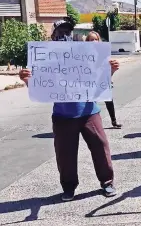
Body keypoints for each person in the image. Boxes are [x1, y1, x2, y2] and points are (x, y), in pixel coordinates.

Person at [19, 18, 119, 201]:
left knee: (101, 147)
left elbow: (100, 82)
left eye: (67, 31)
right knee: (65, 155)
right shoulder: (45, 57)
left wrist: (111, 71)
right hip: (62, 116)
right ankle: (69, 187)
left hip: (89, 112)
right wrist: (26, 79)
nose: (64, 35)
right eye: (60, 32)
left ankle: (107, 182)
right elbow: (40, 88)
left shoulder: (82, 55)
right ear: (53, 35)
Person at [85, 31, 122, 129]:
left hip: (103, 82)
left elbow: (107, 71)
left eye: (96, 39)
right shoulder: (83, 55)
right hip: (90, 84)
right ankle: (90, 124)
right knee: (92, 104)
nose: (94, 41)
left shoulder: (103, 54)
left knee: (109, 101)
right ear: (87, 41)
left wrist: (112, 71)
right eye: (91, 39)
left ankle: (114, 121)